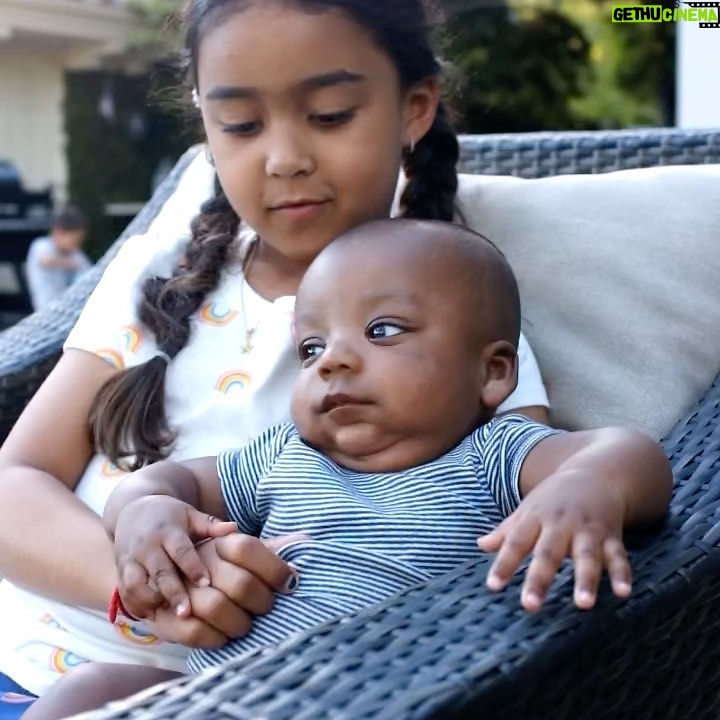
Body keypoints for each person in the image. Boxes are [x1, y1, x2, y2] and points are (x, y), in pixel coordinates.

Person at [0, 0, 551, 714]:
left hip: (220, 695)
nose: (285, 158)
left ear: (414, 108)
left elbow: (506, 538)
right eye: (241, 125)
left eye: (329, 115)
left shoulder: (453, 324)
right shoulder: (157, 274)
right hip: (26, 644)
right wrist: (143, 579)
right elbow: (16, 481)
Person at [22, 219, 672, 720]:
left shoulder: (492, 455)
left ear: (492, 372)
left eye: (383, 331)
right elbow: (173, 480)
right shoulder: (286, 455)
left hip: (369, 700)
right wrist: (143, 510)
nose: (332, 361)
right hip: (208, 693)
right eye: (312, 347)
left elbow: (628, 454)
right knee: (92, 691)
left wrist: (586, 488)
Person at [25, 206, 92, 311]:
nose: (76, 245)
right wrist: (68, 264)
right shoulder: (42, 245)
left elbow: (89, 273)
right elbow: (45, 260)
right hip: (46, 310)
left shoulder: (75, 253)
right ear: (58, 232)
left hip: (69, 309)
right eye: (74, 240)